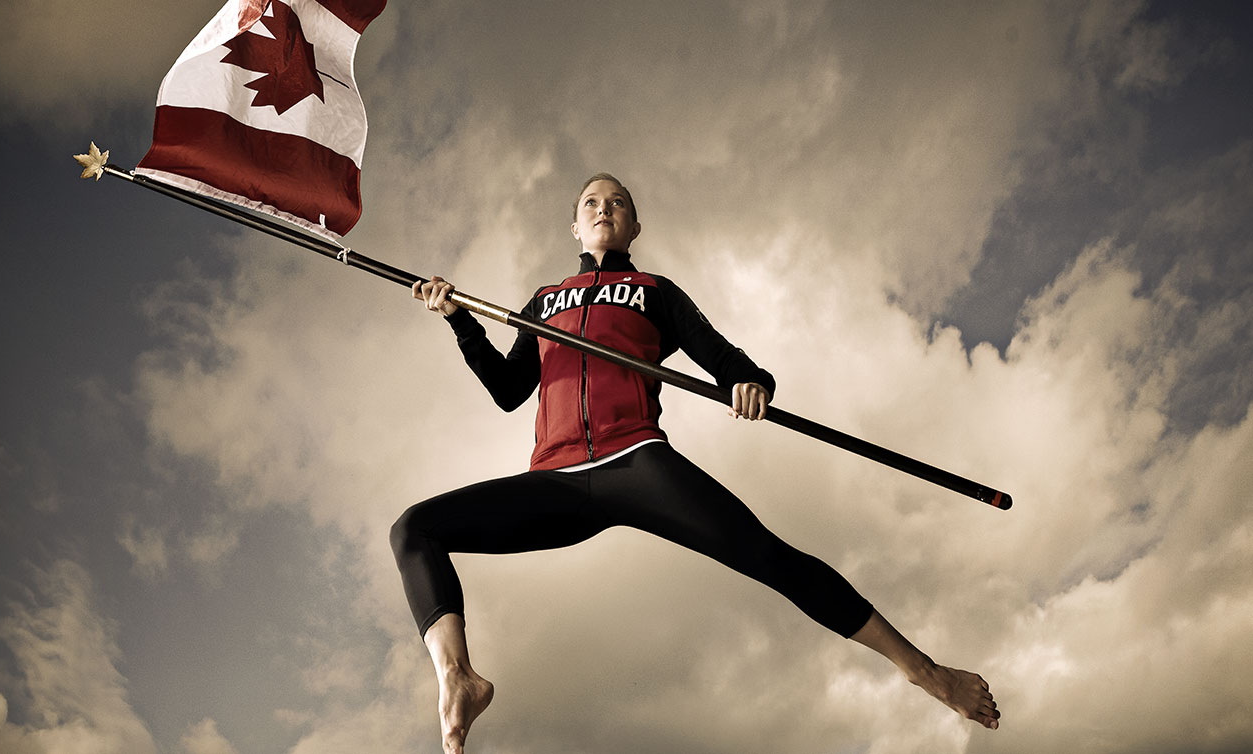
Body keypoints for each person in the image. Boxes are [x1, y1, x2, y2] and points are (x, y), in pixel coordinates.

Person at [390, 173, 1000, 754]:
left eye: (618, 203)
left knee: (769, 556)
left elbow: (725, 358)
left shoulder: (655, 292)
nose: (604, 209)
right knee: (414, 528)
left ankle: (926, 672)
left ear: (634, 227)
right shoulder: (543, 301)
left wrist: (750, 382)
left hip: (637, 459)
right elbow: (507, 388)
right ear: (574, 227)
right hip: (555, 479)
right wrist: (459, 319)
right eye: (591, 204)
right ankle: (460, 677)